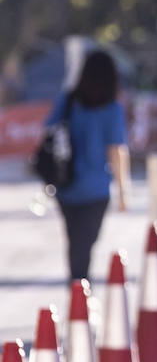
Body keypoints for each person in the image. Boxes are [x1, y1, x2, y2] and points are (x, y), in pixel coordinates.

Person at [44, 49, 131, 282]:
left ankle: (77, 287)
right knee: (86, 242)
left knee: (74, 240)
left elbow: (49, 132)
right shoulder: (112, 109)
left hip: (66, 184)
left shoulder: (69, 100)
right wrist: (123, 192)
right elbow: (116, 151)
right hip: (97, 188)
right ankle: (81, 289)